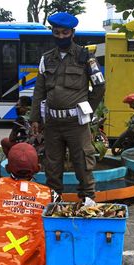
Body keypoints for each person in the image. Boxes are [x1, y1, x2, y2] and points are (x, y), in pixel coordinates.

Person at [30, 12, 105, 203]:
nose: (61, 36)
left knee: (83, 166)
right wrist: (35, 119)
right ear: (52, 32)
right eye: (57, 32)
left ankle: (88, 204)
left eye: (65, 32)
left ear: (72, 32)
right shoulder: (46, 59)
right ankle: (54, 206)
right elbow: (39, 91)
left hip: (76, 124)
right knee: (52, 168)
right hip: (53, 124)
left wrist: (88, 109)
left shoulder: (85, 56)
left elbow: (99, 85)